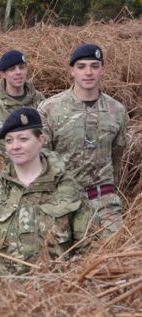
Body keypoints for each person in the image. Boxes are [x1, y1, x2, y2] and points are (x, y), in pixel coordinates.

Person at [0, 108, 93, 275]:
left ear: (41, 139)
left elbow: (88, 249)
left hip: (58, 291)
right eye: (9, 141)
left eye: (23, 139)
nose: (15, 146)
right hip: (6, 295)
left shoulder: (67, 188)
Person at [38, 44, 127, 237]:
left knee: (115, 256)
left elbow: (116, 157)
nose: (88, 72)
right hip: (62, 202)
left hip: (104, 204)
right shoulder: (49, 109)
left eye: (95, 66)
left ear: (102, 69)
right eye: (81, 66)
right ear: (71, 71)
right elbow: (42, 161)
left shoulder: (117, 111)